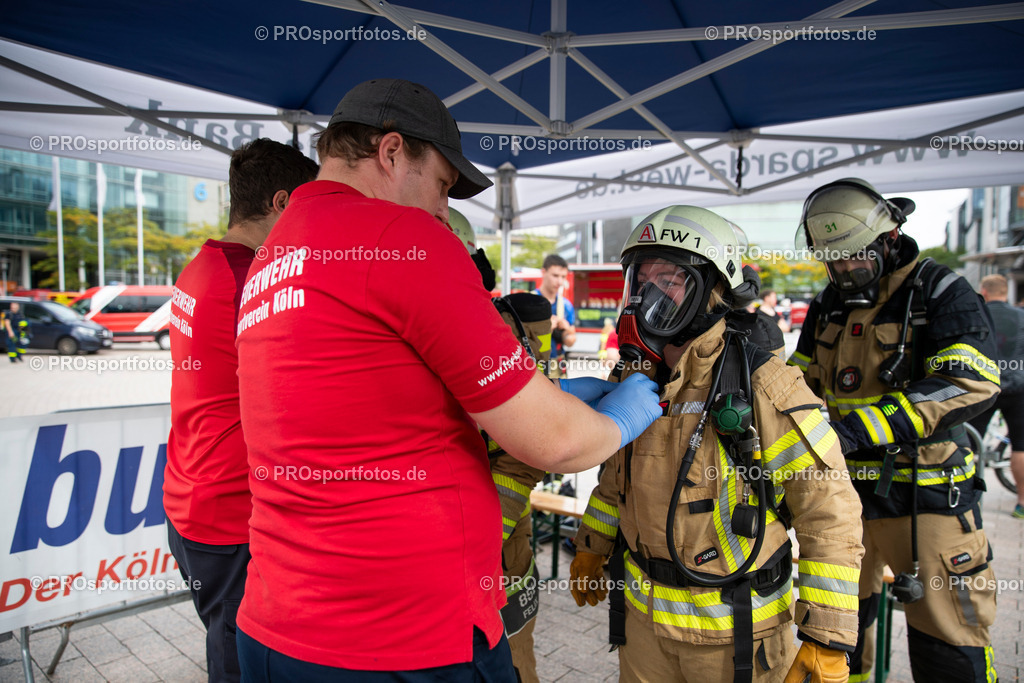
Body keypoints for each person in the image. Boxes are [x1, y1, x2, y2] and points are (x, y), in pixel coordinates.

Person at [232, 78, 662, 681]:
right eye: (441, 185)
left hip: (280, 625)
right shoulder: (398, 238)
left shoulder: (276, 252)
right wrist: (622, 416)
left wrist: (553, 394)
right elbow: (556, 443)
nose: (443, 211)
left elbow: (378, 395)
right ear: (390, 152)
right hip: (406, 639)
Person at [571, 205, 864, 683]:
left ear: (714, 292)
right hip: (642, 631)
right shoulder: (632, 379)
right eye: (640, 279)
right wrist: (591, 543)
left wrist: (826, 635)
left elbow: (828, 509)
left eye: (669, 280)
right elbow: (615, 480)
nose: (647, 295)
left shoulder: (763, 384)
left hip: (735, 639)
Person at [789, 178, 1000, 682]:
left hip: (925, 499)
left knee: (948, 639)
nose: (844, 270)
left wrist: (858, 429)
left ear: (889, 238)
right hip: (844, 501)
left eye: (854, 257)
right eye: (833, 261)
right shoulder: (827, 304)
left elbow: (968, 382)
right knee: (836, 636)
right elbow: (798, 382)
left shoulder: (939, 291)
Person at [163, 138, 318, 682]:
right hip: (229, 516)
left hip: (193, 499)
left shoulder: (200, 266)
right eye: (306, 208)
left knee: (233, 647)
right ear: (281, 203)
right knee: (240, 664)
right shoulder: (251, 279)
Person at [450, 207, 548, 682]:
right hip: (430, 553)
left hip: (498, 547)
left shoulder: (495, 331)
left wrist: (487, 530)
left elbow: (528, 447)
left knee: (509, 662)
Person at [970, 274, 1024, 517]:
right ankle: (1022, 504)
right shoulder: (1021, 316)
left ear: (984, 292)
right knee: (1020, 447)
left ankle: (967, 501)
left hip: (984, 387)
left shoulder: (977, 314)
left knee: (968, 444)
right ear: (1006, 292)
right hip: (1019, 389)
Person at [534, 253, 577, 371]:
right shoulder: (529, 302)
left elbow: (570, 341)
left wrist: (567, 330)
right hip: (534, 365)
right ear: (543, 272)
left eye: (563, 277)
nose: (559, 281)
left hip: (558, 365)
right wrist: (546, 328)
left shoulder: (566, 305)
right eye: (555, 275)